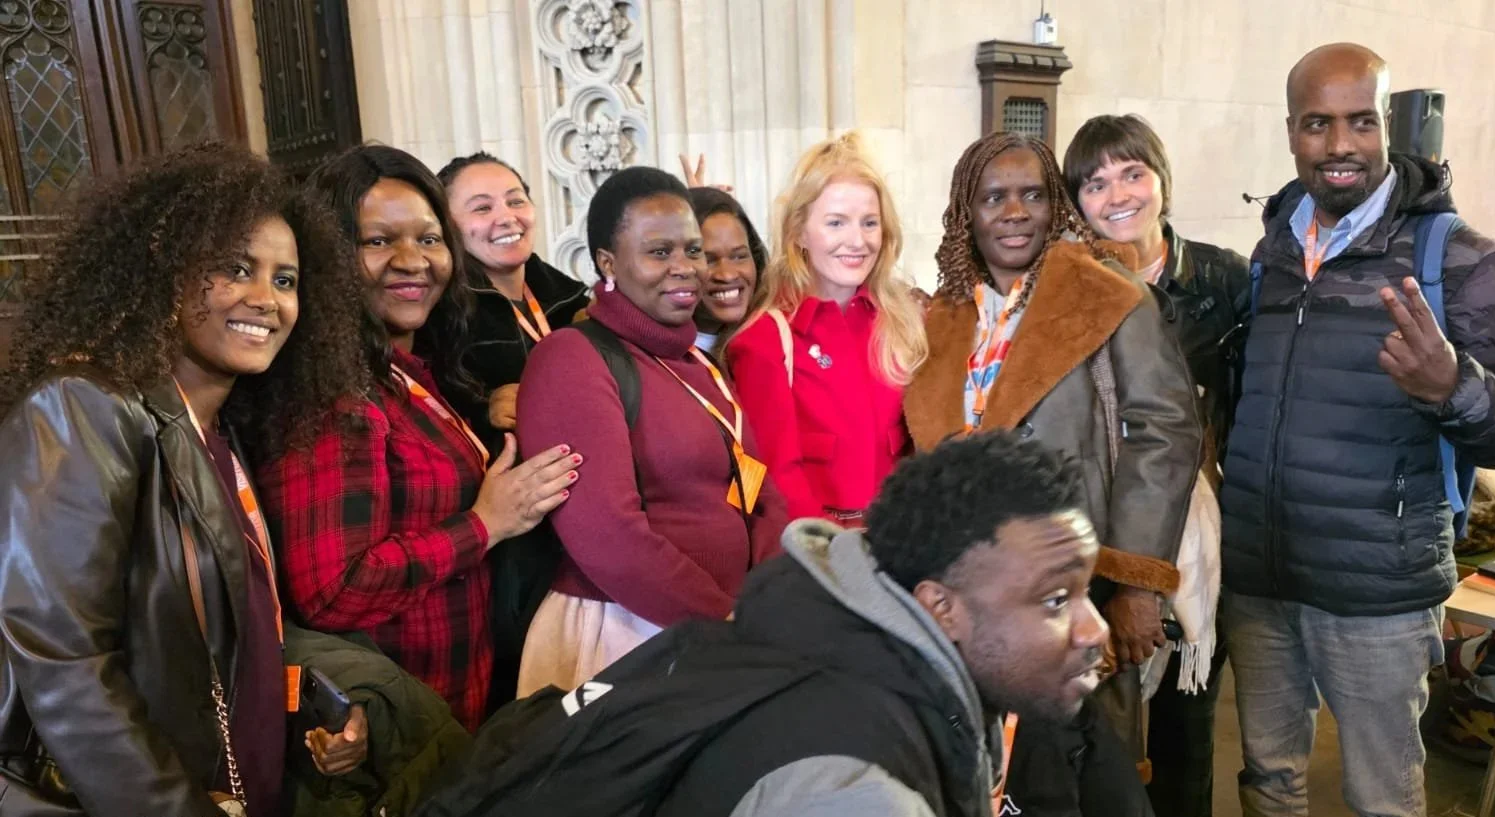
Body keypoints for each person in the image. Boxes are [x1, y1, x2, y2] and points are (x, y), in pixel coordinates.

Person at [415, 432, 1150, 817]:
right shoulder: (851, 789)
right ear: (939, 606)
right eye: (1055, 600)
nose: (1094, 630)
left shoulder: (813, 634)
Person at [1220, 43, 1495, 817]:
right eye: (1318, 124)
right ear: (1290, 131)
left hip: (1379, 590)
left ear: (1389, 125)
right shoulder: (1272, 253)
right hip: (1261, 579)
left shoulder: (1465, 260)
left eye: (1361, 121)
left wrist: (1454, 388)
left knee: (1382, 797)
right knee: (1268, 781)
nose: (1340, 144)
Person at [0, 143, 368, 816]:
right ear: (166, 271)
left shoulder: (220, 433)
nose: (267, 299)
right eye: (236, 269)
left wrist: (306, 708)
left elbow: (208, 645)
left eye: (286, 280)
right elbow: (65, 661)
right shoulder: (83, 406)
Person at [255, 145, 580, 731]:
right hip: (394, 720)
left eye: (429, 239)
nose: (413, 261)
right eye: (378, 241)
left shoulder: (404, 370)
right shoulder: (336, 394)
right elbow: (333, 589)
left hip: (453, 702)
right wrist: (485, 524)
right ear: (327, 254)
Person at [904, 131, 1202, 768]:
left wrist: (1136, 585)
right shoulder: (945, 316)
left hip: (1082, 581)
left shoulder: (1107, 293)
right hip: (973, 589)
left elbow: (1166, 432)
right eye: (994, 198)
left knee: (1091, 767)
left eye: (1032, 195)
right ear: (966, 213)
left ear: (1055, 205)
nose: (1014, 212)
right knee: (990, 767)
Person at [514, 166, 788, 695]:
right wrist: (722, 621)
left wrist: (767, 597)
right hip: (624, 631)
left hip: (727, 628)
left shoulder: (699, 363)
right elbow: (608, 536)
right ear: (608, 263)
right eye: (659, 252)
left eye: (692, 250)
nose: (685, 268)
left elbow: (757, 489)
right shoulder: (572, 357)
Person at [1063, 113, 1249, 817]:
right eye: (1095, 183)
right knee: (1104, 730)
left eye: (1132, 173)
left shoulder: (1224, 280)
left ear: (1162, 180)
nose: (1117, 195)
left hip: (1199, 532)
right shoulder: (1069, 288)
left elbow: (1249, 399)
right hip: (1105, 526)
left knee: (1185, 728)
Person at [725, 132, 927, 526]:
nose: (857, 241)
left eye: (870, 223)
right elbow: (777, 478)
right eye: (836, 223)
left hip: (903, 539)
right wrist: (835, 551)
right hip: (818, 547)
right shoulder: (764, 341)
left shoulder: (904, 321)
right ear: (799, 232)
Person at [437, 152, 589, 456]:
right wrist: (484, 411)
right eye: (482, 208)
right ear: (445, 225)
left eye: (516, 201)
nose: (507, 218)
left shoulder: (573, 303)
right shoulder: (441, 317)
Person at [686, 185, 766, 355]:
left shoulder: (776, 338)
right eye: (708, 260)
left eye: (739, 256)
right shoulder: (654, 357)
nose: (727, 275)